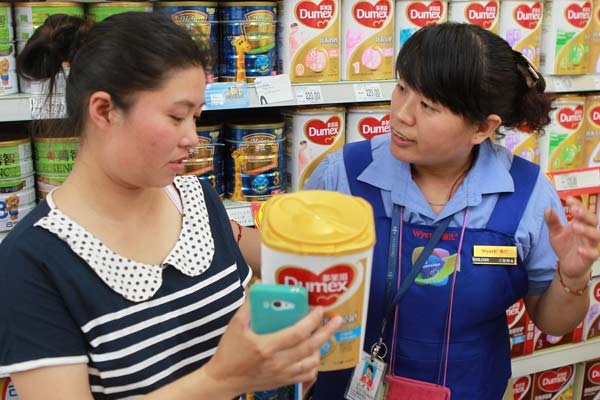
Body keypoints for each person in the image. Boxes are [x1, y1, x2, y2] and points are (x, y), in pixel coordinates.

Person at [0, 12, 341, 400]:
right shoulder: (31, 261)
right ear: (103, 111)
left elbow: (242, 330)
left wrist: (284, 357)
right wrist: (223, 379)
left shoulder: (197, 200)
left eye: (196, 118)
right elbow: (225, 373)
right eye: (176, 117)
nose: (193, 138)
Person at [304, 23, 600, 399]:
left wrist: (572, 278)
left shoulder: (528, 194)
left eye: (428, 105)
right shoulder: (344, 174)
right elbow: (293, 276)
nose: (401, 115)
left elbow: (552, 321)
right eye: (402, 88)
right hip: (350, 387)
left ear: (482, 128)